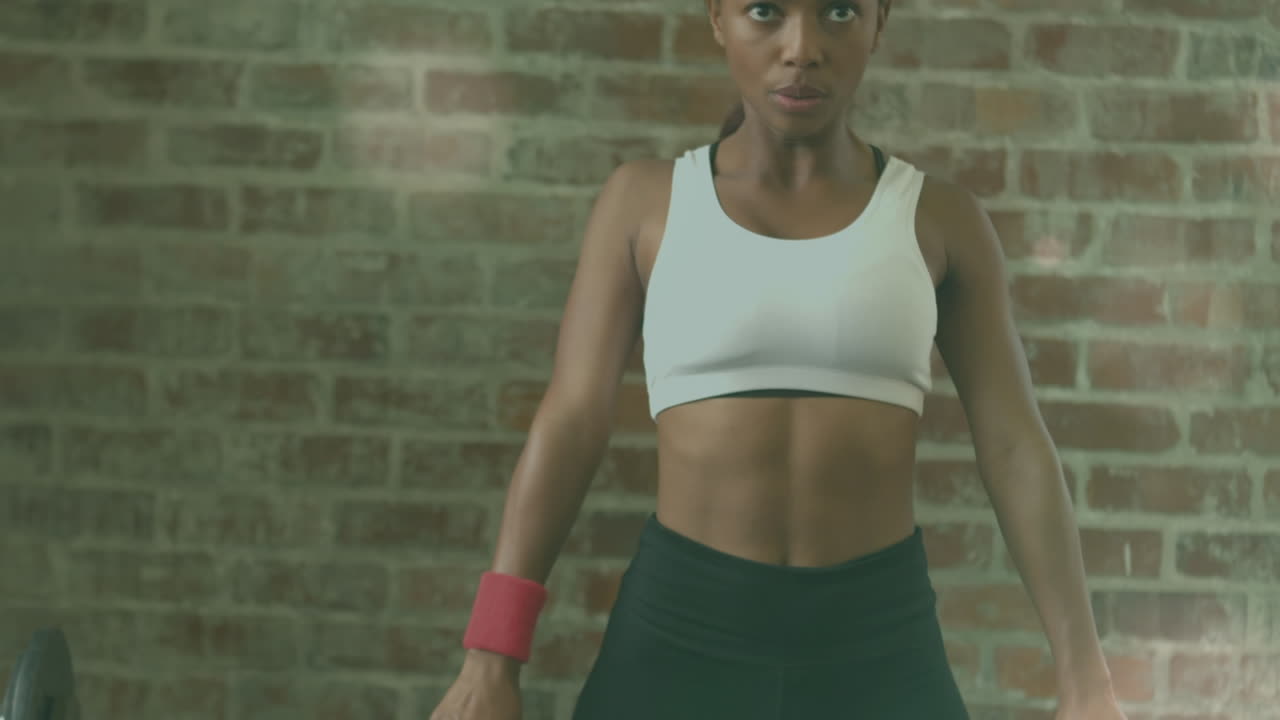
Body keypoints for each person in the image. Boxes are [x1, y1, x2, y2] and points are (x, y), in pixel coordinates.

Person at [431, 1, 1128, 718]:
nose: (802, 47)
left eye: (837, 12)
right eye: (765, 11)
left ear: (878, 21)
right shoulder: (644, 204)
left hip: (880, 647)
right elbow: (572, 422)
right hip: (677, 638)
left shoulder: (940, 220)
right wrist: (491, 657)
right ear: (717, 19)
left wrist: (1085, 682)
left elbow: (1015, 447)